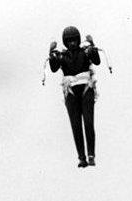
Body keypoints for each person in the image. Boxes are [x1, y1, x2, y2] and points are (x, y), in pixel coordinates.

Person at [48, 26, 101, 168]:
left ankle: (91, 155)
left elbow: (97, 61)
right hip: (71, 92)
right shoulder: (61, 56)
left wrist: (92, 44)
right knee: (76, 125)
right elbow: (53, 68)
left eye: (74, 40)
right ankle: (81, 157)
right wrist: (51, 51)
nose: (72, 43)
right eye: (69, 40)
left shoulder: (86, 51)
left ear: (78, 40)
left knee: (88, 122)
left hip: (86, 89)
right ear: (65, 42)